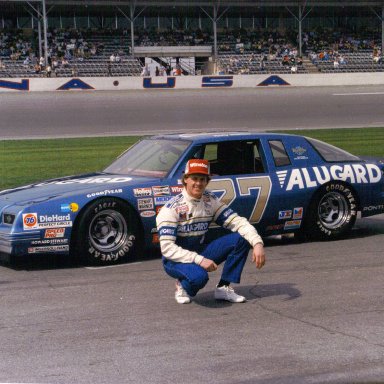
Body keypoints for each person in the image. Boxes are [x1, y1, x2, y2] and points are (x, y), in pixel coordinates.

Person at [156, 159, 266, 304]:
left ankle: (223, 287)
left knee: (242, 239)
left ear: (207, 181)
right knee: (199, 278)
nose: (198, 183)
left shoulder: (209, 200)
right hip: (174, 260)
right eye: (194, 178)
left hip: (200, 250)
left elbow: (237, 222)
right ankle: (182, 284)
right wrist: (200, 260)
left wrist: (257, 243)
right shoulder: (171, 208)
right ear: (185, 180)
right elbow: (167, 249)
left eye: (202, 179)